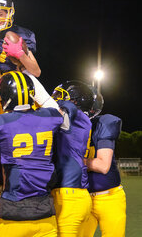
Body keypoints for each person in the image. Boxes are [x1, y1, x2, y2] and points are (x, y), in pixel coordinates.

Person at [0, 71, 66, 237]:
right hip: (45, 214)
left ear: (3, 96)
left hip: (13, 211)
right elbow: (60, 114)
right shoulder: (51, 117)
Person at [50, 80, 94, 237]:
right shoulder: (81, 120)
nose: (54, 98)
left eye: (59, 95)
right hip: (74, 194)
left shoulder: (73, 112)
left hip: (69, 196)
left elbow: (66, 114)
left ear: (74, 99)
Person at [80, 89, 126, 237]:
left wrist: (76, 162)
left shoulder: (102, 124)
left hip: (109, 198)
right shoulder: (72, 129)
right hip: (84, 199)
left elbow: (103, 166)